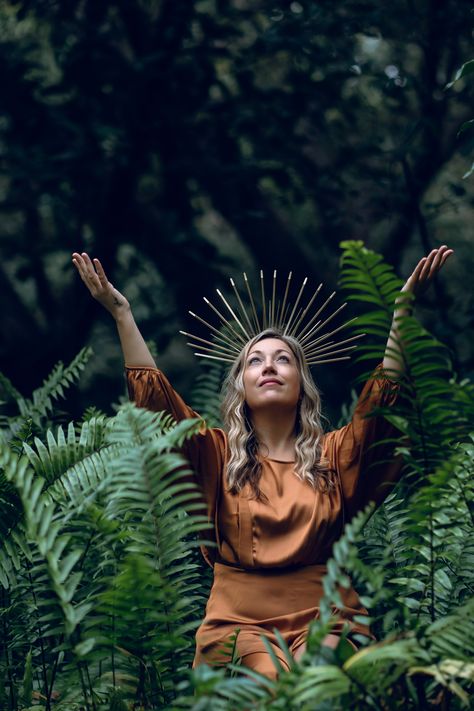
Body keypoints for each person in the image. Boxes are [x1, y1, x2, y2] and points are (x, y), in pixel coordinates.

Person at [72, 246, 453, 679]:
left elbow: (383, 404)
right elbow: (159, 406)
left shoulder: (333, 455)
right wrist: (122, 313)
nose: (269, 366)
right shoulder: (214, 455)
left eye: (283, 359)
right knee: (272, 682)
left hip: (325, 612)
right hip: (238, 622)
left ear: (301, 384)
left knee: (322, 677)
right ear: (241, 388)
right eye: (255, 361)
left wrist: (401, 310)